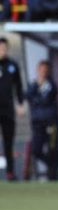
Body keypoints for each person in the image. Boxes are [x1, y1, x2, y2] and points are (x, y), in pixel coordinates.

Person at [26, 60, 58, 181]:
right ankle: (52, 166)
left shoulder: (52, 85)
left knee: (52, 148)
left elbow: (45, 100)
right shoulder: (33, 84)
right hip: (37, 123)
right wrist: (36, 88)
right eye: (41, 70)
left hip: (52, 123)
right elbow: (28, 96)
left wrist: (37, 99)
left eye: (46, 70)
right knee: (36, 150)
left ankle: (53, 176)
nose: (43, 72)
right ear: (38, 70)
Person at [0, 37, 24, 180]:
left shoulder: (13, 66)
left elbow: (19, 87)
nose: (2, 51)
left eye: (4, 48)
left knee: (9, 141)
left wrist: (20, 104)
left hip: (8, 109)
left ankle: (10, 172)